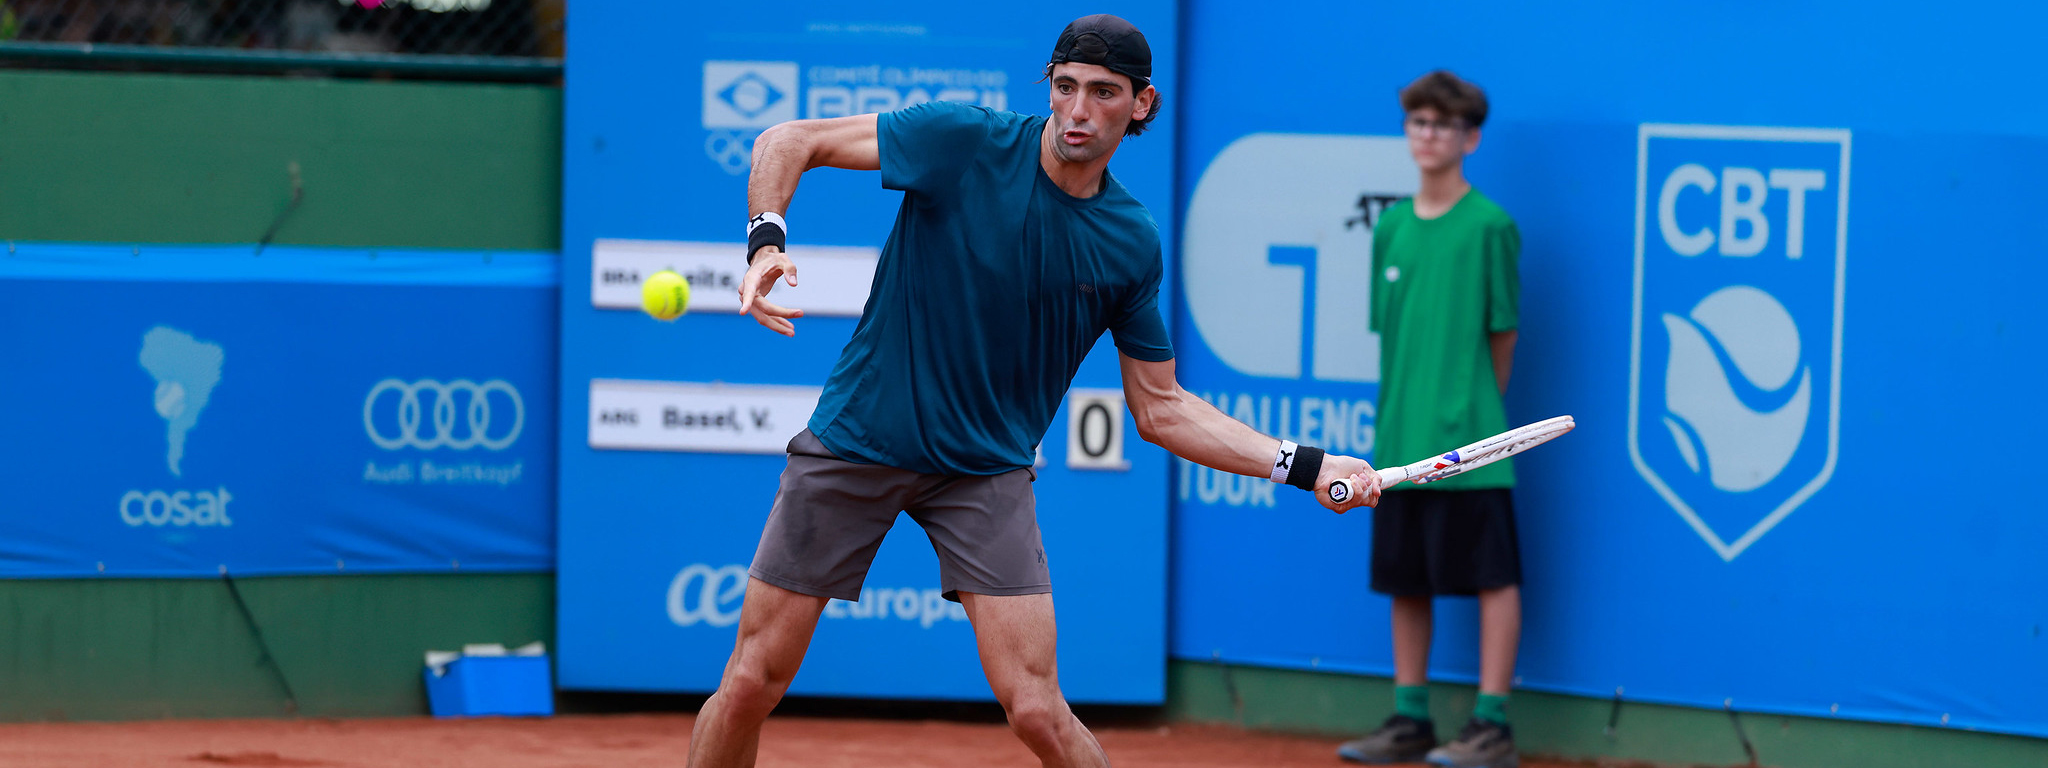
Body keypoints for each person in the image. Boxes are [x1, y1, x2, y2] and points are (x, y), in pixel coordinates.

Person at [688, 15, 1384, 768]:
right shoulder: (961, 141)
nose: (1079, 110)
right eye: (1066, 88)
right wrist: (766, 241)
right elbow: (789, 140)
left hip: (984, 472)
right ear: (1048, 88)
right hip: (861, 438)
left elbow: (1161, 408)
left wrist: (1307, 465)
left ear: (1141, 104)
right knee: (754, 679)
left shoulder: (1128, 240)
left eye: (1103, 93)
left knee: (1038, 709)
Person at [1335, 71, 1524, 768]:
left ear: (1470, 138)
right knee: (1405, 580)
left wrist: (1474, 422)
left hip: (1474, 444)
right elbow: (1390, 336)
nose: (1430, 135)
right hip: (1398, 446)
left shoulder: (1492, 227)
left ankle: (1492, 723)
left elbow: (1502, 335)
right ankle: (1410, 716)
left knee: (1493, 578)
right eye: (1419, 121)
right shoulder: (1389, 226)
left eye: (1445, 125)